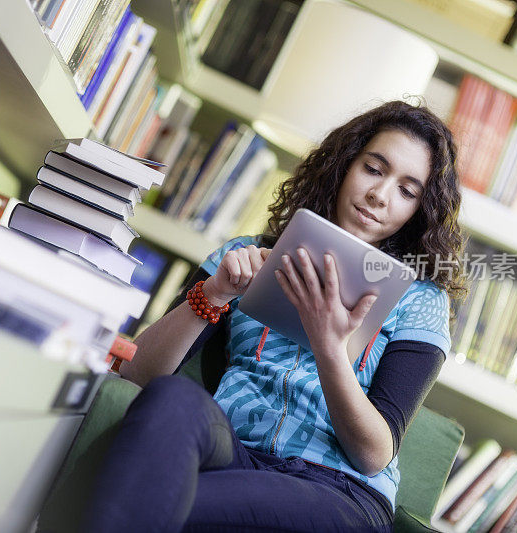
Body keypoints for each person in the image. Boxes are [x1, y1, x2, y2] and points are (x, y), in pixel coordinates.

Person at [85, 100, 468, 532]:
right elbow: (137, 373)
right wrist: (214, 293)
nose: (380, 195)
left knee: (152, 494)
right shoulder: (245, 255)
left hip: (340, 490)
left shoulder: (421, 300)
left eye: (407, 191)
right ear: (345, 165)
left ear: (419, 209)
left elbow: (374, 453)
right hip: (233, 452)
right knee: (171, 400)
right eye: (374, 169)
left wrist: (329, 345)